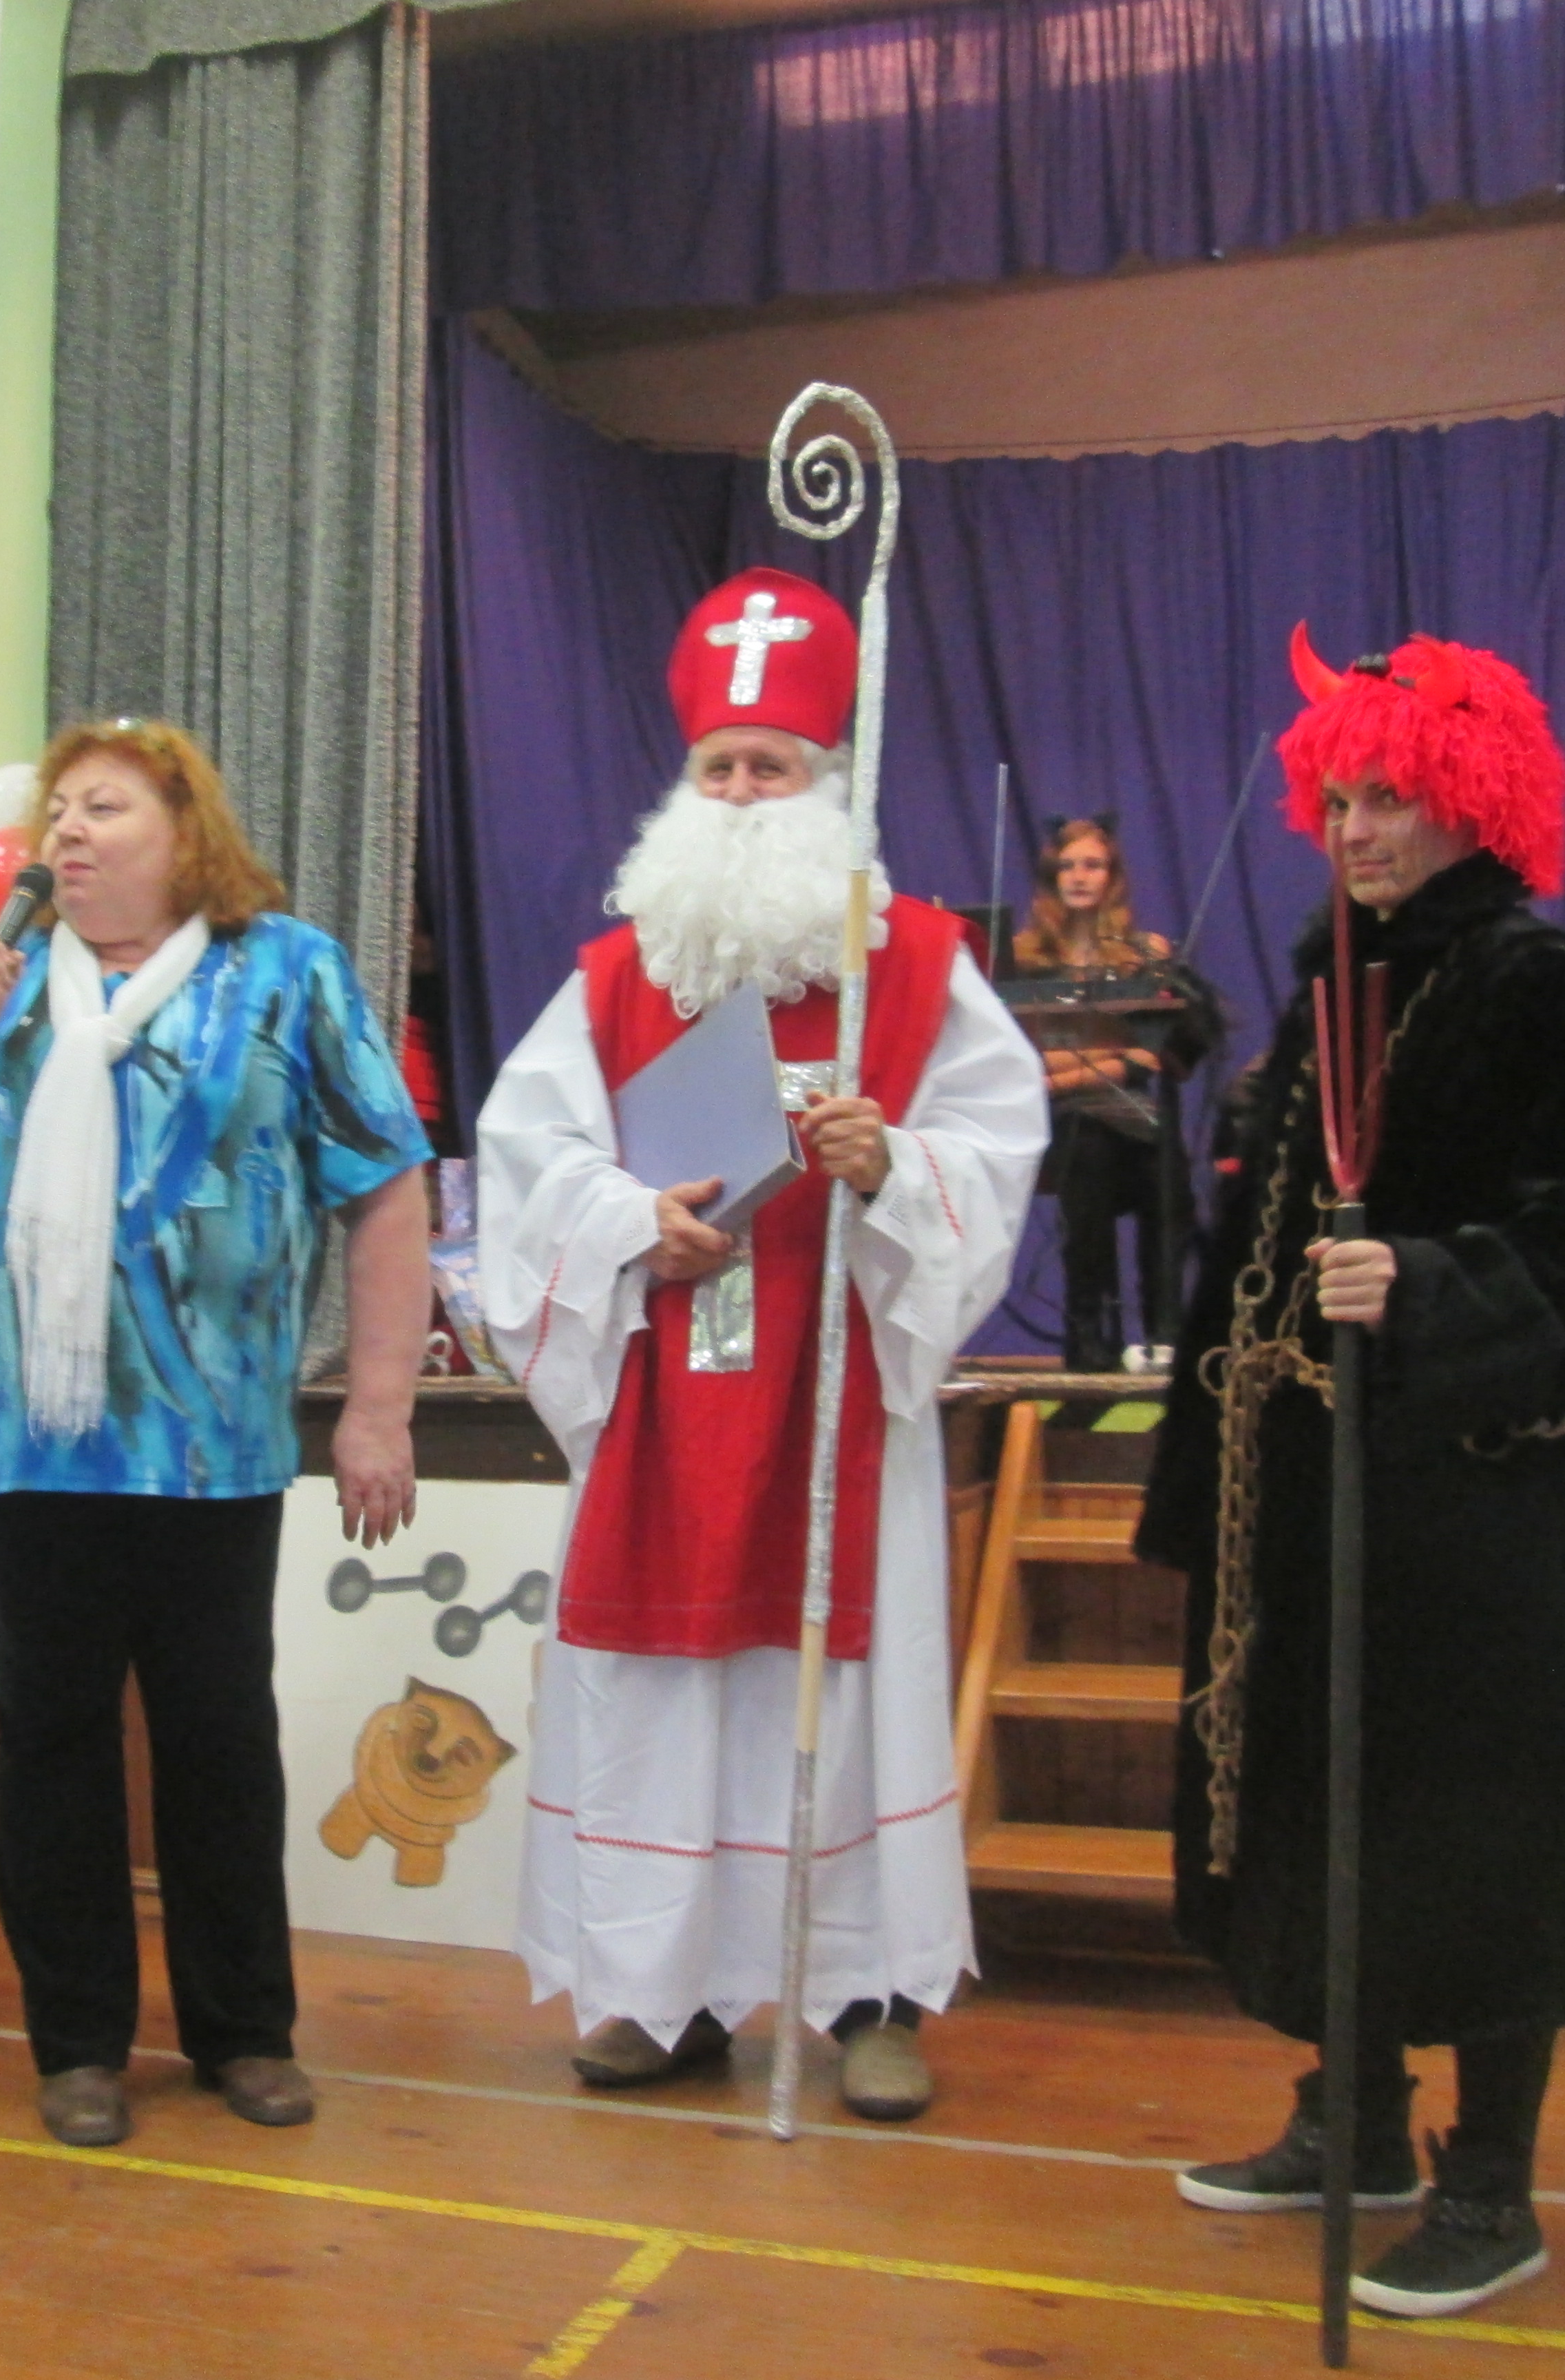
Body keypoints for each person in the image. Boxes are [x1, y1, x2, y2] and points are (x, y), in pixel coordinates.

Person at [1138, 629, 1565, 2317]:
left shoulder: (1557, 995)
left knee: (1487, 1833)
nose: (1356, 828)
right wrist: (1203, 1478)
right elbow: (1244, 1268)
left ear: (1474, 798)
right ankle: (1358, 2121)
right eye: (1336, 799)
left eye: (1388, 796)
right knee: (1330, 1810)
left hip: (1471, 1500)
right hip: (1308, 1496)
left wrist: (1433, 1282)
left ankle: (1491, 2187)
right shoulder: (1328, 993)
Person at [476, 567, 1047, 2122]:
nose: (738, 792)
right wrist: (624, 1221)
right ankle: (662, 1998)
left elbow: (996, 1146)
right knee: (667, 1700)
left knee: (844, 1694)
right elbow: (525, 1158)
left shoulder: (916, 962)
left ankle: (869, 1995)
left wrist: (893, 1166)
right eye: (718, 766)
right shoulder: (617, 977)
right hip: (674, 1388)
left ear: (825, 785)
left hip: (838, 1384)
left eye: (769, 768)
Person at [0, 718, 432, 2149]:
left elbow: (385, 1186)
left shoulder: (285, 972)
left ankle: (244, 2029)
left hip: (211, 1439)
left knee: (219, 1730)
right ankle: (79, 2042)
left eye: (103, 808)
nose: (68, 833)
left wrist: (380, 1406)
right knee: (50, 1739)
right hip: (35, 1441)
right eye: (58, 811)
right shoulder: (5, 983)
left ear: (186, 831)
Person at [1013, 818, 1187, 1372]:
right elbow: (1021, 1056)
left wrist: (1061, 1069)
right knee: (1087, 1145)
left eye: (1092, 865)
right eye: (1067, 867)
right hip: (1060, 1120)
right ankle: (1088, 1331)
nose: (1079, 877)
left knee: (1165, 1163)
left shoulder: (1145, 953)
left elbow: (1150, 1056)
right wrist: (1107, 1061)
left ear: (1113, 876)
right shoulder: (1023, 957)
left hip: (1133, 1116)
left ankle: (1165, 1333)